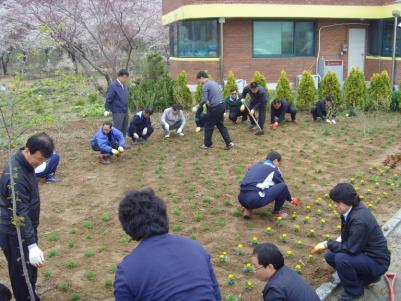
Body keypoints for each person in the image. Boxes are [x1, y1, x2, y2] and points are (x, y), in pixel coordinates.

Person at [114, 188, 221, 301]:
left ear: (127, 227)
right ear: (163, 216)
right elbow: (216, 295)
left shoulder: (127, 270)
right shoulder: (196, 248)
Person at [312, 183, 390, 301]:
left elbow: (350, 249)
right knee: (330, 256)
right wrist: (330, 245)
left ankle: (355, 291)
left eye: (337, 203)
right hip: (364, 253)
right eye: (334, 202)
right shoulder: (351, 210)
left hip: (377, 261)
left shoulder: (360, 220)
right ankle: (363, 277)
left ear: (347, 201)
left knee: (341, 258)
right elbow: (347, 235)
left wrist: (327, 244)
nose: (335, 205)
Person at [0, 133, 55, 301]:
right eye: (38, 160)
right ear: (28, 150)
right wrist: (31, 244)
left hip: (25, 227)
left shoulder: (26, 165)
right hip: (13, 230)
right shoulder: (15, 177)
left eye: (44, 161)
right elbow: (20, 213)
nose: (40, 164)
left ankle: (31, 294)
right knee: (21, 271)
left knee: (29, 268)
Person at [238, 151, 299, 219]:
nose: (278, 165)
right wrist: (290, 199)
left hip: (241, 198)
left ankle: (247, 209)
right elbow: (282, 187)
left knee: (258, 186)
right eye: (279, 163)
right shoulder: (274, 171)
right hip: (254, 200)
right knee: (283, 186)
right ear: (275, 161)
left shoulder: (254, 166)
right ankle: (276, 212)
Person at [252, 243, 320, 301]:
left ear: (270, 267)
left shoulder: (274, 290)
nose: (254, 270)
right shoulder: (288, 272)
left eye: (255, 267)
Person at [192, 71, 233, 150]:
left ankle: (207, 144)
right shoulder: (214, 83)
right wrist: (209, 102)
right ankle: (229, 142)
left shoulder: (205, 85)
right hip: (222, 106)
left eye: (199, 80)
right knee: (220, 125)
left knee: (208, 125)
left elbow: (204, 99)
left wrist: (197, 106)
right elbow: (214, 95)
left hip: (216, 108)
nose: (199, 82)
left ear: (201, 78)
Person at [104, 69, 130, 136]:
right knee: (118, 128)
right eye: (124, 77)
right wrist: (107, 109)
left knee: (124, 128)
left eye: (127, 78)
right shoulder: (113, 86)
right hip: (118, 111)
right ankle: (116, 144)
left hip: (125, 110)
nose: (126, 79)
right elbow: (109, 98)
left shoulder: (124, 86)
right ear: (119, 76)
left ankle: (122, 144)